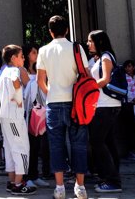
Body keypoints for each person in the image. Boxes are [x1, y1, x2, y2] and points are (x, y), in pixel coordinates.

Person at [36, 15, 89, 199]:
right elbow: (86, 74)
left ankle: (59, 187)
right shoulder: (77, 47)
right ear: (67, 29)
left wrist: (50, 92)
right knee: (79, 144)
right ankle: (80, 187)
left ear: (50, 32)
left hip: (54, 102)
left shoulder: (44, 50)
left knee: (56, 145)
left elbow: (40, 80)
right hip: (76, 104)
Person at [0, 44, 37, 196]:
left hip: (5, 115)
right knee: (21, 148)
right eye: (21, 56)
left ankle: (12, 181)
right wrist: (17, 95)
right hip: (14, 116)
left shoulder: (3, 71)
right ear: (13, 58)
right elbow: (15, 80)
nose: (23, 58)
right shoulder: (15, 70)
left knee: (9, 148)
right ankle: (19, 184)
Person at [86, 30, 122, 193]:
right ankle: (110, 176)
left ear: (99, 42)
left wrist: (89, 88)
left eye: (90, 41)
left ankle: (112, 180)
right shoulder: (100, 58)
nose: (88, 44)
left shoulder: (106, 57)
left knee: (97, 142)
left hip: (105, 106)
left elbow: (105, 79)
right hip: (106, 105)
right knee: (107, 142)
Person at [23, 45, 50, 189]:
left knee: (36, 144)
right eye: (33, 52)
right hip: (28, 113)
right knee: (29, 145)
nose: (36, 54)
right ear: (27, 55)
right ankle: (27, 176)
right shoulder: (23, 71)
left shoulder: (39, 69)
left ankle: (35, 175)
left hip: (40, 111)